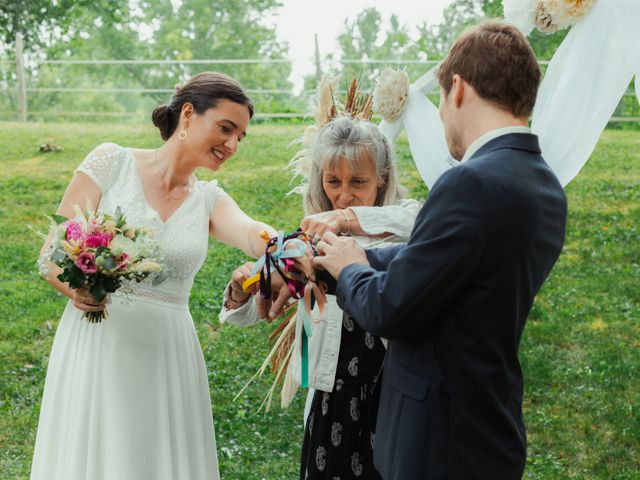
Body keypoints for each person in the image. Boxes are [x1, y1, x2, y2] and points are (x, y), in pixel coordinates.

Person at [294, 22, 568, 479]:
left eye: (440, 101)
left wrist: (351, 269)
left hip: (439, 440)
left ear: (457, 89)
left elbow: (390, 307)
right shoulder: (543, 187)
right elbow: (434, 262)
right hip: (488, 423)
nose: (441, 117)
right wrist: (337, 261)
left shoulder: (469, 182)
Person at [31, 72, 275, 480]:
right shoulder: (112, 161)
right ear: (188, 115)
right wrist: (75, 289)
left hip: (167, 355)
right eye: (226, 128)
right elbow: (51, 252)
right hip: (98, 344)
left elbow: (252, 233)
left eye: (241, 137)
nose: (232, 145)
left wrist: (286, 242)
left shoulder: (209, 199)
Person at [220, 115, 421, 479]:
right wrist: (240, 292)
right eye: (333, 181)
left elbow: (419, 219)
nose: (344, 194)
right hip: (333, 397)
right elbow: (254, 311)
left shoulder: (404, 229)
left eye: (358, 181)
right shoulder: (304, 243)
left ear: (383, 178)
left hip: (390, 394)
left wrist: (345, 219)